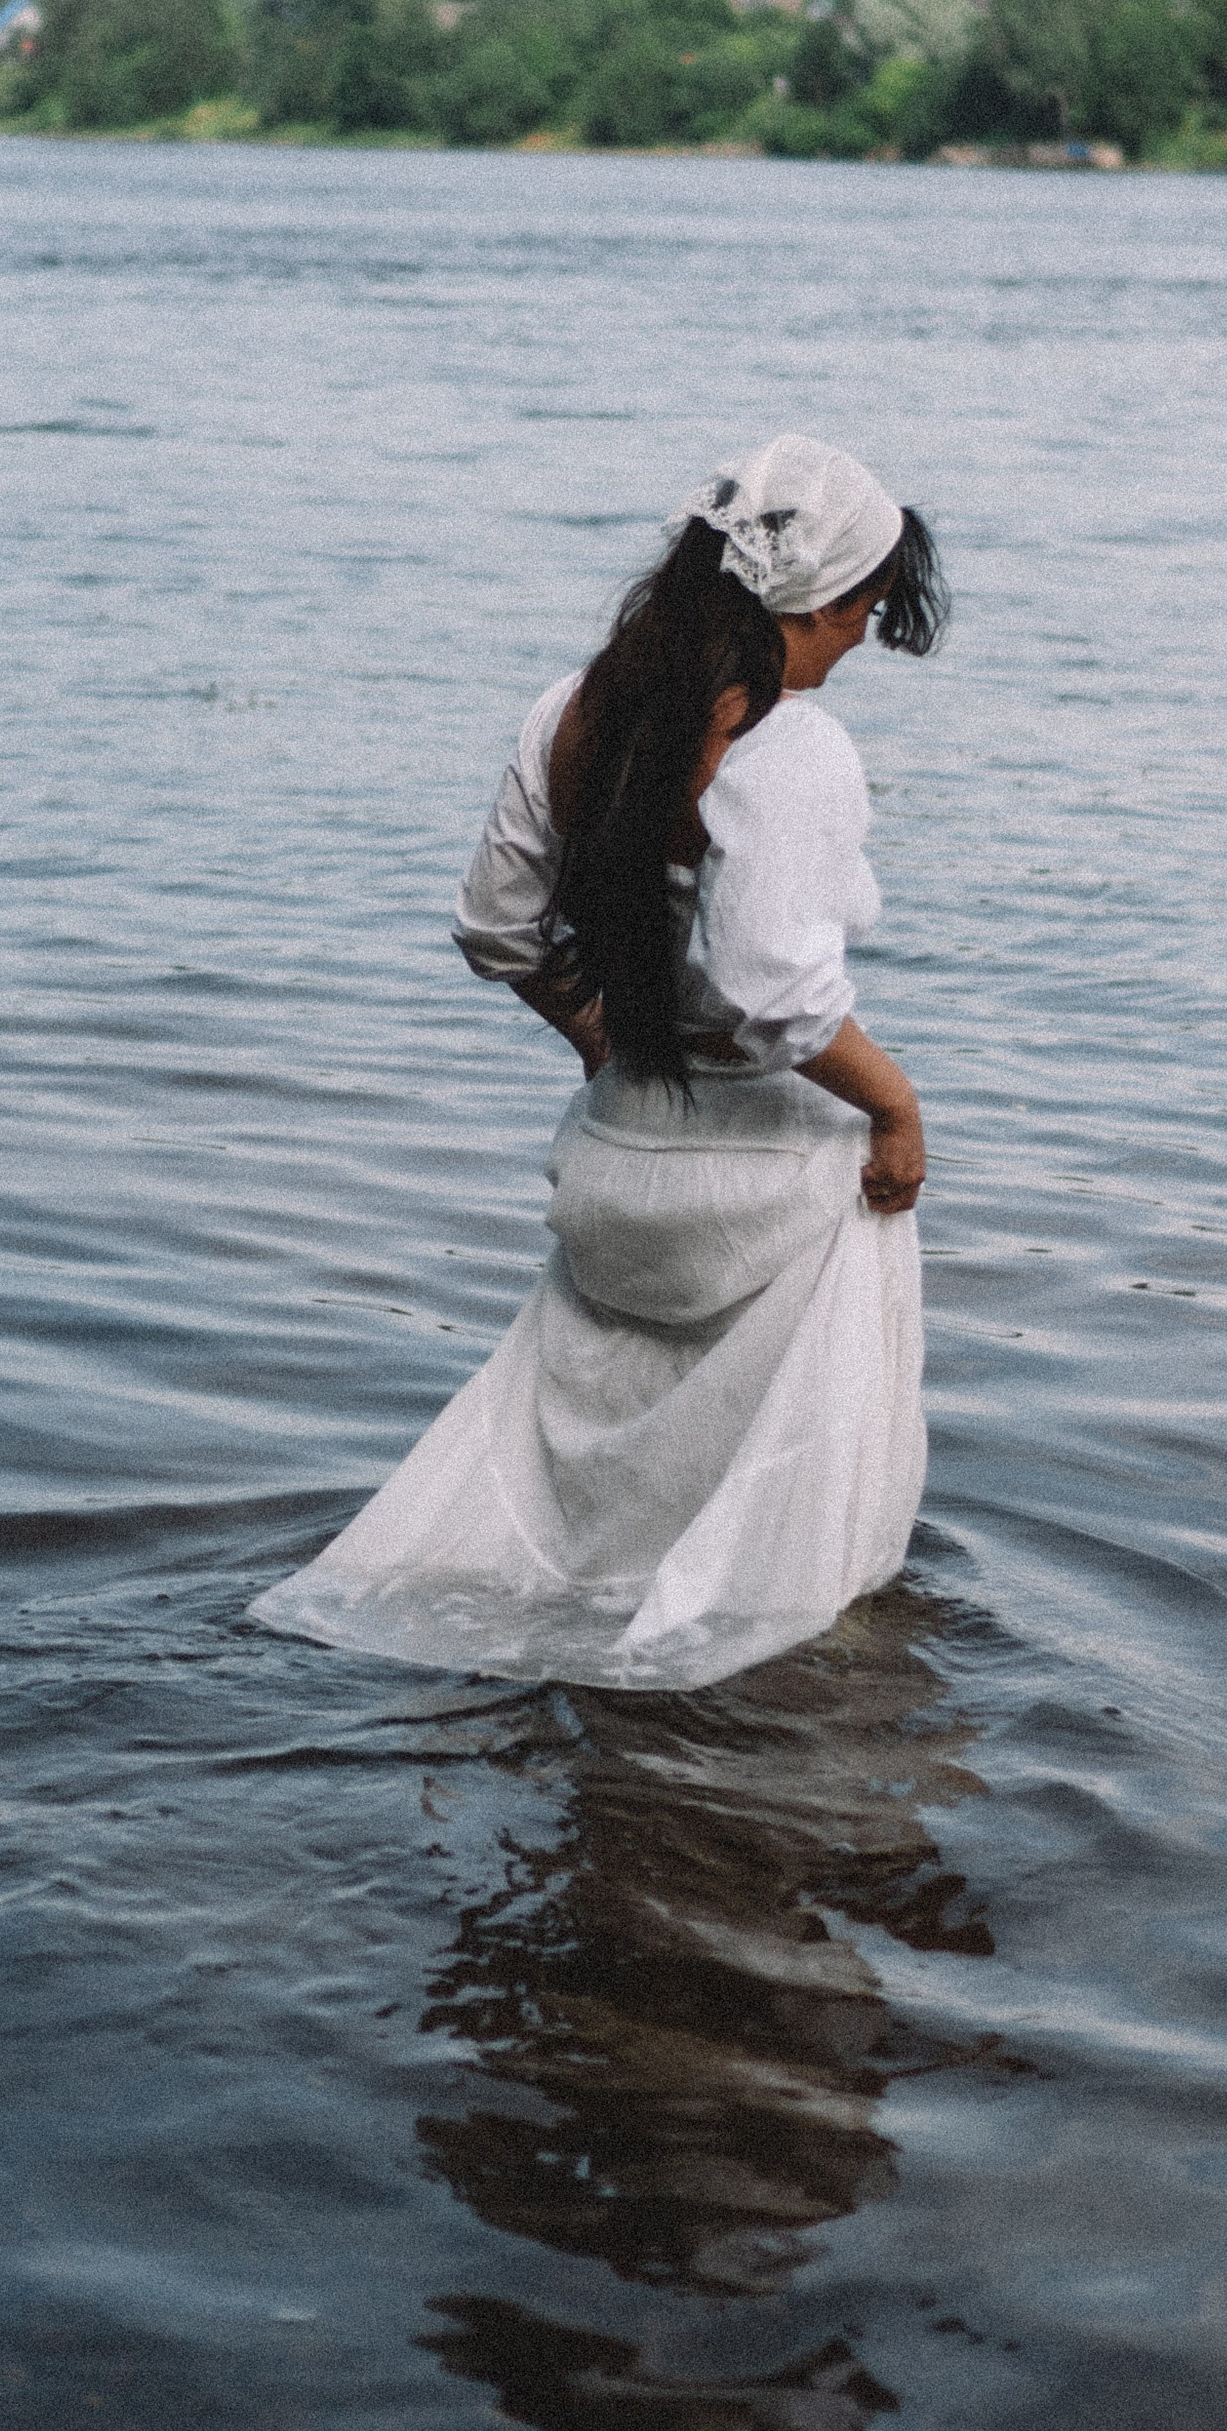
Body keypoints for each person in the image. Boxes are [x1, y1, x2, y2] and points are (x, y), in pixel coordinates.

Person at [252, 435, 949, 1692]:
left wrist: (601, 1043)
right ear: (818, 600)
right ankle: (762, 1684)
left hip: (619, 1163)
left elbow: (493, 928)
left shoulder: (577, 711)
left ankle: (596, 1665)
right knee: (800, 1515)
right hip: (766, 1184)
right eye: (865, 609)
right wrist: (896, 1109)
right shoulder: (795, 752)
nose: (862, 640)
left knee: (583, 1488)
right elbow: (773, 995)